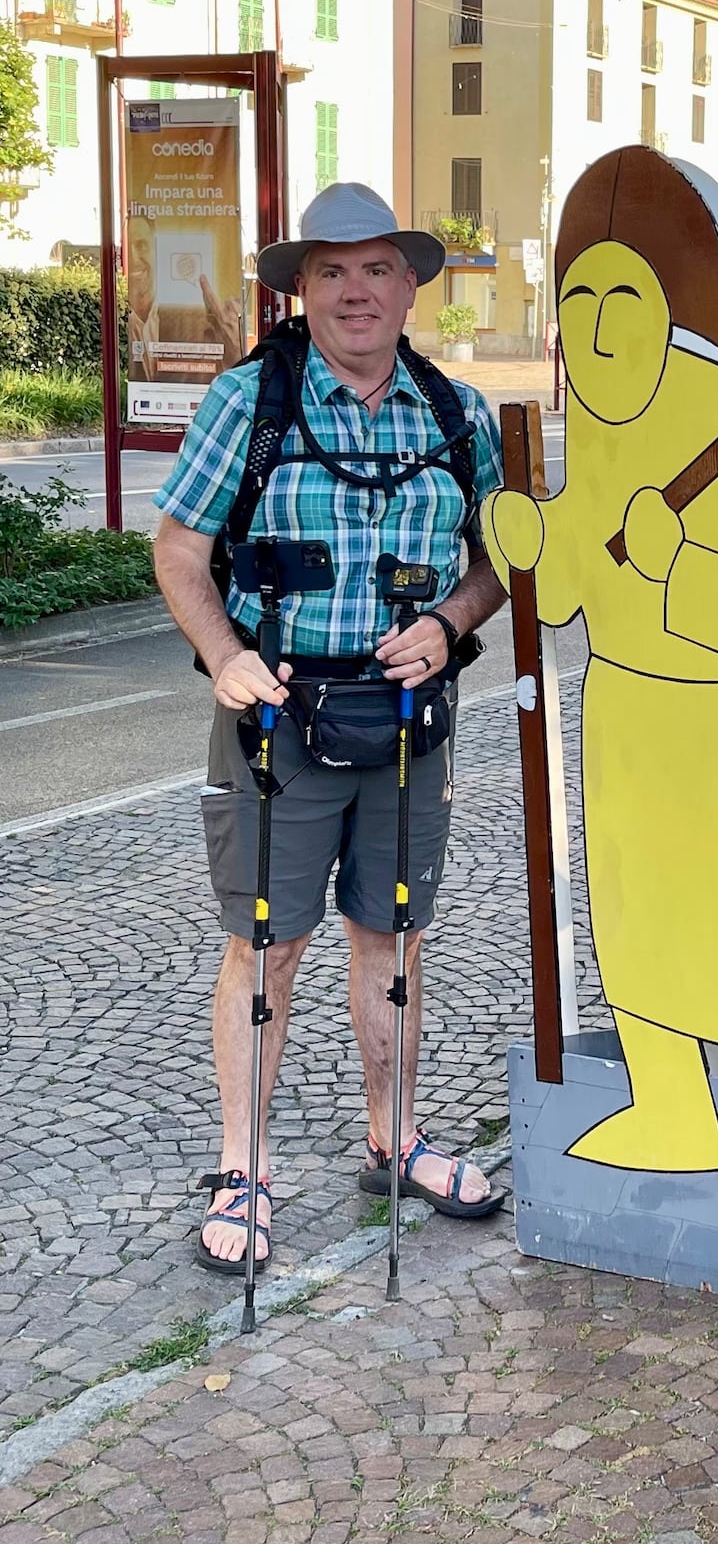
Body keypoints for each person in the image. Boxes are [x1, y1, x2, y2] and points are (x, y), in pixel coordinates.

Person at [151, 182, 509, 1274]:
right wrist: (225, 657)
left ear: (410, 286)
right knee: (268, 944)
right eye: (330, 272)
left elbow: (507, 556)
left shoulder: (459, 416)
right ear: (302, 289)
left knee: (392, 937)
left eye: (375, 270)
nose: (355, 291)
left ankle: (393, 1138)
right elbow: (176, 548)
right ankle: (243, 1162)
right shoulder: (246, 404)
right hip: (278, 718)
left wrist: (451, 620)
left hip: (409, 718)